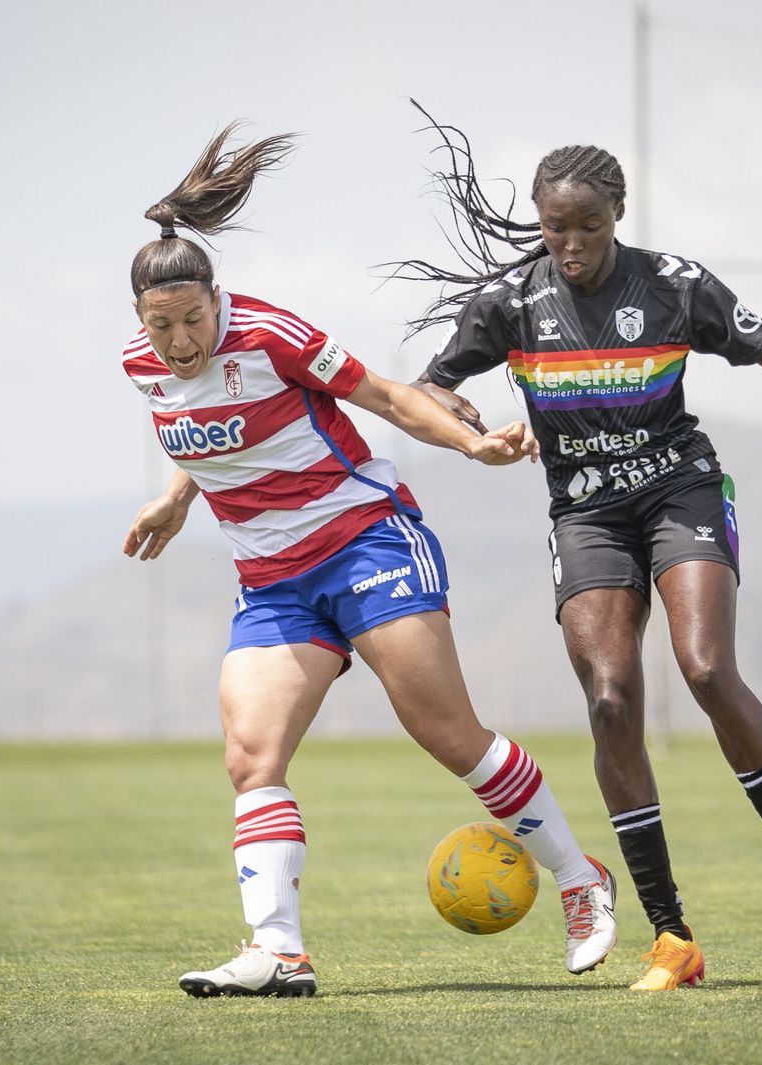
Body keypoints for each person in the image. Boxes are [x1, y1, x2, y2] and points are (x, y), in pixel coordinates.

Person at [389, 108, 762, 991]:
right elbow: (424, 390)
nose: (570, 244)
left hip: (680, 491)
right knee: (610, 700)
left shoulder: (676, 286)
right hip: (586, 516)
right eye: (555, 227)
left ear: (619, 214)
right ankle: (672, 937)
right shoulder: (512, 303)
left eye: (588, 226)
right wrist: (471, 429)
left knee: (706, 667)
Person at [119, 123, 617, 999]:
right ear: (139, 321)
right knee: (251, 754)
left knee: (448, 735)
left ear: (217, 299)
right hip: (272, 582)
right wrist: (178, 494)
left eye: (194, 319)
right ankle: (278, 951)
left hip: (365, 543)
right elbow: (210, 427)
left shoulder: (271, 334)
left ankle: (581, 879)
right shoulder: (142, 366)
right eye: (162, 326)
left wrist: (469, 443)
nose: (182, 341)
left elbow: (386, 397)